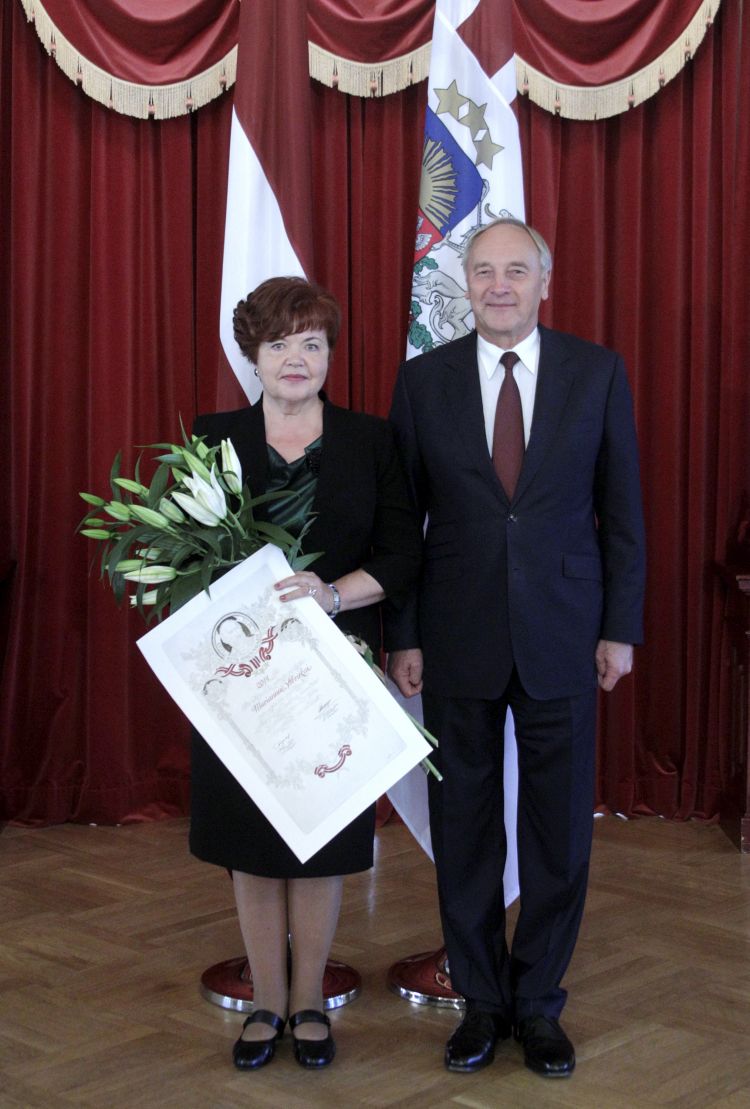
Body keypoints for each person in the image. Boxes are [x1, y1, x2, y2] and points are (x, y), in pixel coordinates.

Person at [386, 218, 645, 1078]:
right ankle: (480, 1001)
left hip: (565, 632)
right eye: (485, 271)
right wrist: (403, 634)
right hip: (454, 637)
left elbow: (624, 513)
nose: (500, 285)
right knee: (465, 829)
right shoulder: (423, 381)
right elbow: (403, 525)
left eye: (517, 270)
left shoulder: (596, 372)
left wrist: (620, 626)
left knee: (558, 833)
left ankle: (537, 1004)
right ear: (465, 282)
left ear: (544, 281)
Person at [190, 276, 422, 1071]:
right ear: (253, 355)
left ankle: (311, 1001)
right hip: (240, 676)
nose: (297, 358)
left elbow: (402, 554)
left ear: (329, 354)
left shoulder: (371, 440)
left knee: (322, 839)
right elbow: (185, 560)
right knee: (252, 841)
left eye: (312, 343)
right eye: (280, 342)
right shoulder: (213, 437)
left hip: (333, 675)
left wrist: (332, 593)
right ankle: (265, 1001)